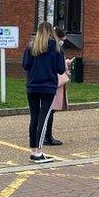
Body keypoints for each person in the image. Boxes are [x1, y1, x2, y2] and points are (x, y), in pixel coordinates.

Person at [20, 21, 64, 164]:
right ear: (51, 31)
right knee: (43, 119)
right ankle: (38, 152)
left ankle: (33, 149)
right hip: (48, 87)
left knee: (34, 118)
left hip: (32, 86)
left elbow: (26, 65)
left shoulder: (31, 47)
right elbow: (60, 69)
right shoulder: (56, 48)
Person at [44, 27, 70, 147]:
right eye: (63, 39)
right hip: (54, 82)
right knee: (49, 110)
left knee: (47, 111)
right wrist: (65, 64)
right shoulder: (56, 48)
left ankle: (45, 136)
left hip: (43, 82)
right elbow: (59, 67)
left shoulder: (43, 46)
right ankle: (47, 137)